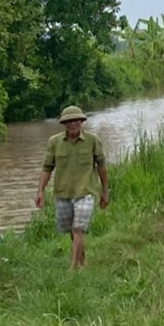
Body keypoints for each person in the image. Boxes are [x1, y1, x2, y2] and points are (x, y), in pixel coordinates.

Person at [35, 105, 108, 269]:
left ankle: (72, 268)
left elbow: (102, 167)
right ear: (64, 124)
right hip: (63, 192)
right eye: (69, 121)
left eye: (76, 120)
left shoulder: (92, 140)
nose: (73, 124)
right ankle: (82, 261)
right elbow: (47, 168)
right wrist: (40, 191)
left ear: (82, 121)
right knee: (72, 231)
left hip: (86, 191)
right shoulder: (54, 142)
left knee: (78, 229)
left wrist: (104, 192)